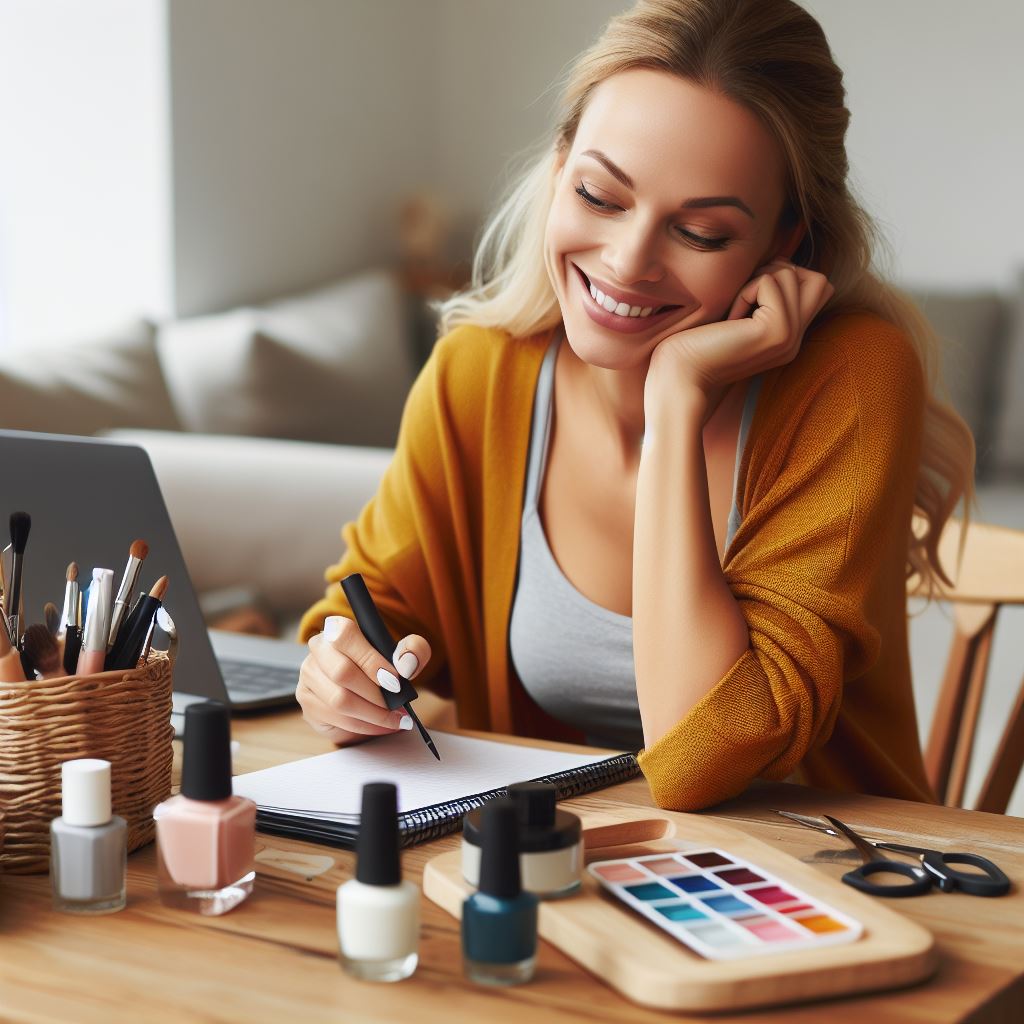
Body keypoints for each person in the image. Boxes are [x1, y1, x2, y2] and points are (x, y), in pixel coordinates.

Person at [295, 0, 974, 810]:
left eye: (702, 233)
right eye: (600, 195)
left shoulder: (853, 377)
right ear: (558, 165)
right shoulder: (478, 374)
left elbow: (703, 758)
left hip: (825, 886)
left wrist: (677, 398)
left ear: (783, 243)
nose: (627, 262)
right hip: (567, 874)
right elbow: (369, 606)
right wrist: (339, 675)